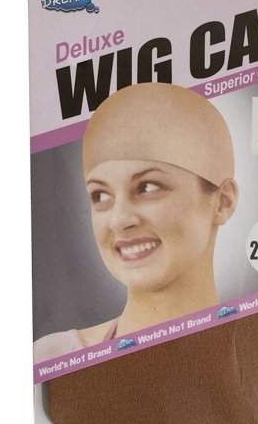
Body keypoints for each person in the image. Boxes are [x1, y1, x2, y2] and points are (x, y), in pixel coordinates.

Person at [34, 83, 238, 362]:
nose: (119, 220)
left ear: (223, 201)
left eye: (149, 187)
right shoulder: (52, 358)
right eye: (100, 195)